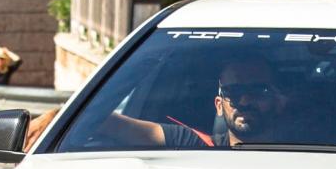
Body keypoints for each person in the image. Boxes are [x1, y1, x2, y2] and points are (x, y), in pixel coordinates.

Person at [22, 54, 287, 151]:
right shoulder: (196, 144)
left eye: (258, 90)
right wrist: (57, 115)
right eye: (233, 91)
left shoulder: (313, 150)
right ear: (219, 104)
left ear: (279, 100)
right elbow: (114, 124)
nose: (244, 100)